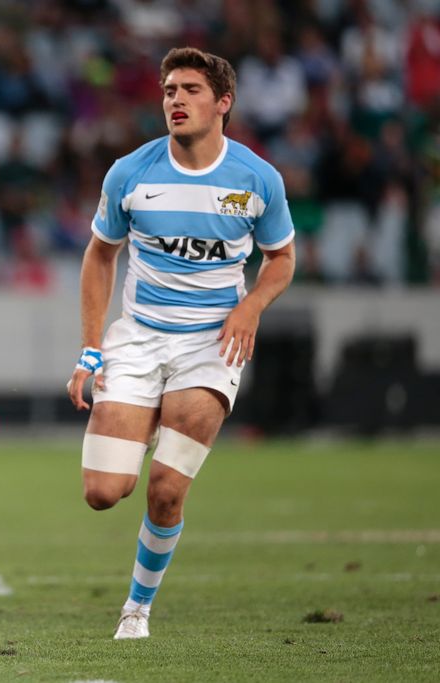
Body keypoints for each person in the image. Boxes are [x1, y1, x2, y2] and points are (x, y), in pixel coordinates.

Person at [65, 47, 296, 640]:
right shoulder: (131, 173)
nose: (175, 99)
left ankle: (136, 610)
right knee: (102, 492)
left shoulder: (257, 179)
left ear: (223, 103)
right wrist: (92, 349)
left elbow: (282, 258)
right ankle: (140, 423)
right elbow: (100, 255)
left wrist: (250, 306)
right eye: (169, 90)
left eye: (191, 90)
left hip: (210, 347)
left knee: (167, 490)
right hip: (138, 339)